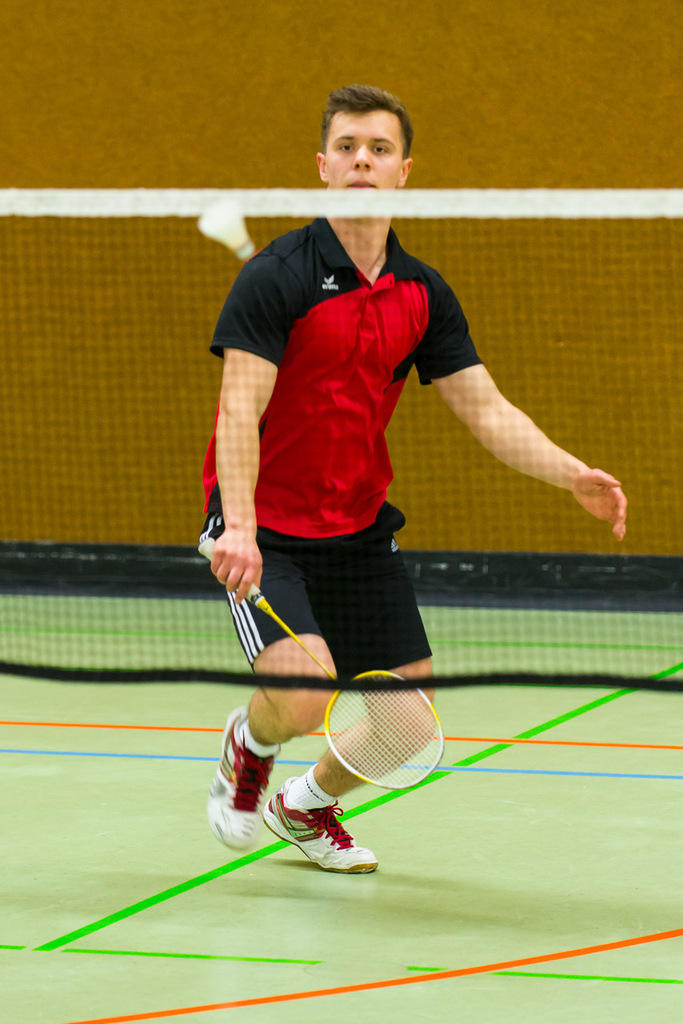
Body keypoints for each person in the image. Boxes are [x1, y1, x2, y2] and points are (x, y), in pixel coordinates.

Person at [199, 84, 627, 874]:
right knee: (303, 694)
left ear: (403, 171)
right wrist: (242, 528)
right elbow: (237, 409)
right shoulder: (276, 276)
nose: (362, 160)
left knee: (409, 728)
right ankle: (250, 745)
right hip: (267, 528)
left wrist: (571, 475)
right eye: (348, 147)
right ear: (322, 166)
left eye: (379, 148)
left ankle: (306, 804)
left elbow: (486, 409)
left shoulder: (421, 293)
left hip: (358, 530)